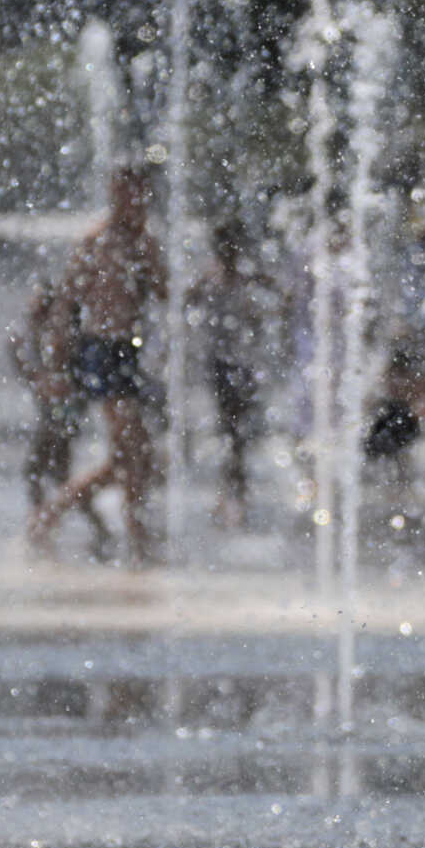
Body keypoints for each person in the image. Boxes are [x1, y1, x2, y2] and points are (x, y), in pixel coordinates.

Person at [28, 165, 168, 566]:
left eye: (138, 195)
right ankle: (131, 538)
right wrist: (55, 366)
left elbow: (164, 292)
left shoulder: (145, 242)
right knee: (130, 451)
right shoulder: (96, 239)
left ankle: (63, 513)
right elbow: (66, 303)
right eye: (123, 194)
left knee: (133, 455)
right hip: (101, 352)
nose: (131, 203)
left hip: (132, 351)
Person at [12, 263, 116, 562]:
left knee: (41, 471)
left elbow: (69, 377)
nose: (30, 305)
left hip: (64, 412)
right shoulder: (37, 334)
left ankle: (44, 527)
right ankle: (61, 527)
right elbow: (30, 370)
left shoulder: (61, 333)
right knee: (55, 475)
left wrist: (57, 386)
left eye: (37, 300)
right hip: (56, 411)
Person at [187, 219, 283, 534]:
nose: (229, 252)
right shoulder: (210, 278)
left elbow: (282, 297)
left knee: (238, 434)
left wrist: (261, 316)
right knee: (232, 432)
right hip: (222, 366)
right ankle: (233, 496)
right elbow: (184, 302)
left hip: (242, 366)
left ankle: (233, 497)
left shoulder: (244, 277)